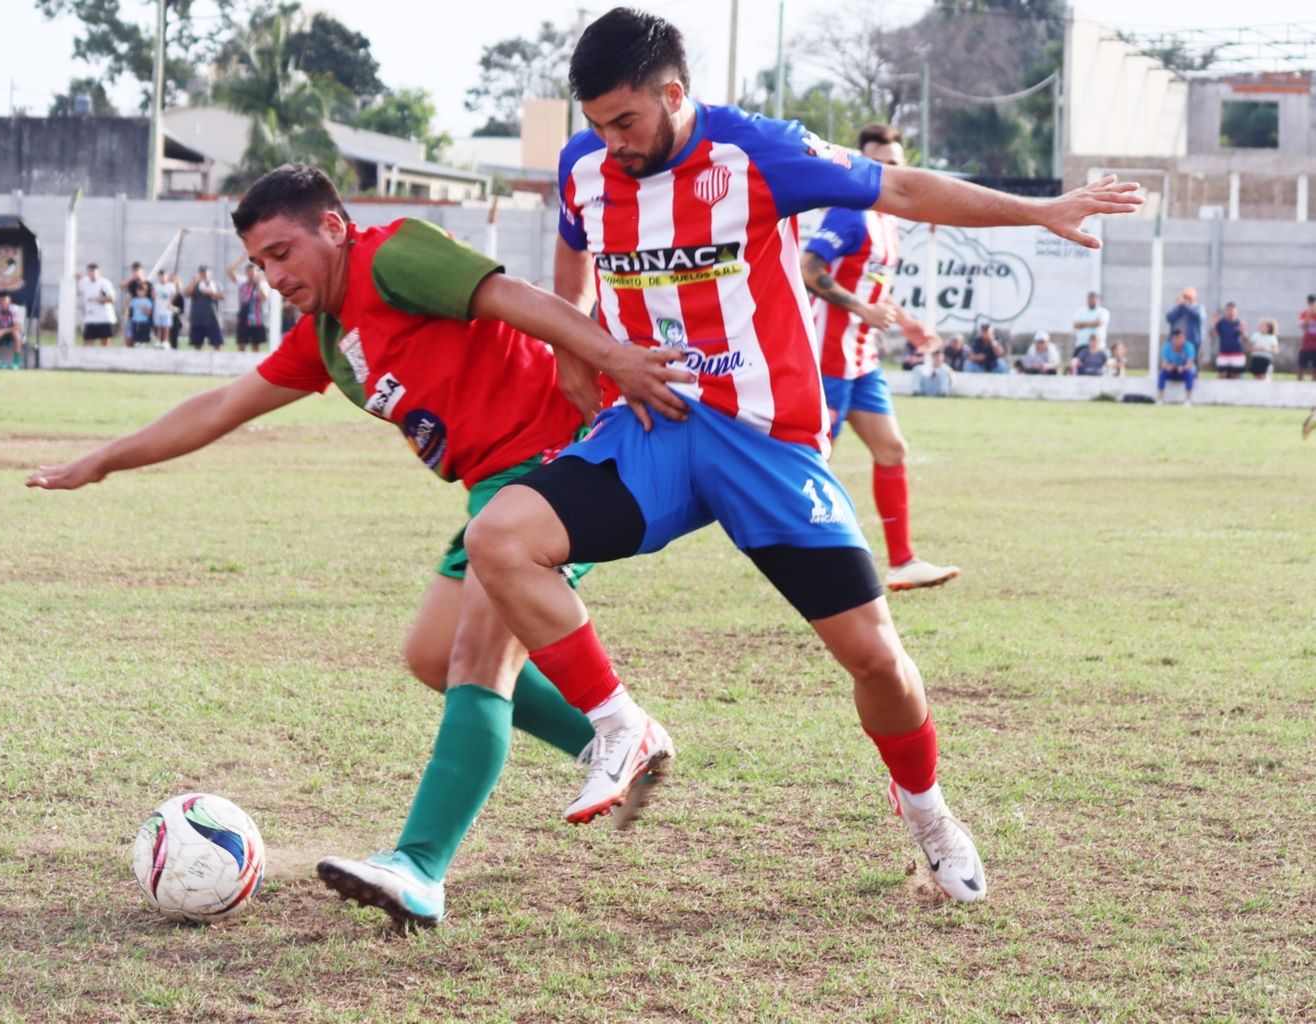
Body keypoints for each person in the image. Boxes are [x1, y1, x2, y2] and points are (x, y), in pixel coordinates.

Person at [461, 7, 1139, 909]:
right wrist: (575, 346)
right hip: (654, 429)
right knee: (500, 538)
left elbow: (902, 191)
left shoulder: (756, 152)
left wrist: (1039, 210)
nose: (610, 143)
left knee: (878, 660)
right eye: (595, 124)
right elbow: (572, 269)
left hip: (766, 441)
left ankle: (930, 813)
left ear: (674, 94)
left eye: (625, 121)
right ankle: (621, 726)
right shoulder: (586, 164)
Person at [29, 164, 691, 932]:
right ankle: (609, 740)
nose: (273, 276)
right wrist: (104, 460)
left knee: (479, 658)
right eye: (259, 263)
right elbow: (222, 405)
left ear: (334, 228)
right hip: (492, 486)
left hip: (555, 462)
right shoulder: (329, 340)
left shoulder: (393, 256)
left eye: (283, 252)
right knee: (430, 655)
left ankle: (420, 866)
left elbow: (516, 300)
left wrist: (608, 359)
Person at [801, 121, 956, 592]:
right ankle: (808, 563)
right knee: (809, 464)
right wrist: (862, 308)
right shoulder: (849, 213)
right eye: (878, 165)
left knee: (892, 449)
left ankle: (902, 562)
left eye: (895, 165)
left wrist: (905, 324)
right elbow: (809, 268)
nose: (888, 173)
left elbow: (875, 287)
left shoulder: (889, 223)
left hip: (862, 359)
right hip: (827, 358)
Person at [229, 261, 270, 352]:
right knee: (241, 344)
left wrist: (257, 284)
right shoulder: (242, 283)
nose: (251, 274)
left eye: (253, 272)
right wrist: (241, 258)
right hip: (243, 319)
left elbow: (263, 298)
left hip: (256, 320)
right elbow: (229, 271)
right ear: (246, 273)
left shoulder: (262, 284)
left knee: (256, 345)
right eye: (249, 272)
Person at [78, 263, 117, 347]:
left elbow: (112, 299)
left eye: (94, 271)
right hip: (90, 317)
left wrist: (98, 298)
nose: (92, 273)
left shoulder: (105, 283)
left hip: (104, 318)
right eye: (90, 271)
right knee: (88, 342)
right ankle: (86, 359)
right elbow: (78, 291)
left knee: (105, 343)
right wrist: (76, 279)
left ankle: (105, 359)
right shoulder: (84, 282)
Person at [185, 266, 224, 350]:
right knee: (197, 344)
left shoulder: (215, 284)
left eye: (206, 273)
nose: (204, 275)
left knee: (217, 343)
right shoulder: (196, 285)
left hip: (213, 318)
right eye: (202, 273)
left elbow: (222, 296)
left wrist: (210, 293)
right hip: (198, 319)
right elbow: (187, 294)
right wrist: (192, 282)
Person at [1165, 287, 1207, 364]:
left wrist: (1186, 307)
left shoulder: (1199, 307)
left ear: (1194, 298)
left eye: (1189, 297)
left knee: (1193, 365)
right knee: (1175, 363)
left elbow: (1198, 316)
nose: (1186, 299)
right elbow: (1169, 317)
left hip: (1192, 341)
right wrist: (1179, 307)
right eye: (1185, 297)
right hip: (1176, 341)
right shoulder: (1178, 307)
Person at [0, 293, 25, 369]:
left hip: (10, 333)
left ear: (9, 301)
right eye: (0, 300)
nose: (2, 302)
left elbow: (17, 327)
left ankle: (16, 362)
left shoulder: (14, 309)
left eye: (4, 300)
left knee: (17, 334)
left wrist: (3, 331)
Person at [1159, 327, 1196, 404]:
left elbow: (1190, 363)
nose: (1180, 340)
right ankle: (1160, 398)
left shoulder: (1189, 347)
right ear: (1173, 339)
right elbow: (1163, 363)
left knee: (1189, 374)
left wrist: (1183, 368)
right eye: (1178, 338)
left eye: (1182, 338)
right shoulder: (1167, 347)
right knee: (1162, 374)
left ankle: (1188, 399)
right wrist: (1169, 367)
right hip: (1171, 370)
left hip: (1183, 370)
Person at [1212, 301, 1248, 379]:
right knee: (1222, 375)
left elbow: (1246, 339)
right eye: (1228, 310)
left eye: (1232, 310)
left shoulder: (1239, 323)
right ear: (1225, 311)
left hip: (1237, 354)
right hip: (1224, 354)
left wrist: (1242, 332)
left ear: (1236, 312)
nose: (1230, 312)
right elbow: (1212, 336)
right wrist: (1214, 325)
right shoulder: (1220, 323)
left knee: (1235, 376)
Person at [1071, 291, 1110, 356]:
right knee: (1076, 364)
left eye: (1093, 299)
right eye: (1090, 299)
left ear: (1098, 300)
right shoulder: (1080, 312)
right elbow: (1075, 325)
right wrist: (1092, 323)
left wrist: (1083, 324)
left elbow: (1099, 323)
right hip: (1082, 344)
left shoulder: (1103, 312)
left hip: (1098, 346)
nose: (1091, 301)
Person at [119, 262, 149, 344]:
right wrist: (132, 278)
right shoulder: (131, 283)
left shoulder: (146, 283)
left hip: (143, 313)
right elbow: (121, 285)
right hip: (132, 311)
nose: (135, 273)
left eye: (137, 270)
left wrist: (140, 277)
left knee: (141, 334)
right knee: (129, 333)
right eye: (133, 271)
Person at [152, 269, 178, 348]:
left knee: (166, 327)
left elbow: (173, 295)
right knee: (159, 326)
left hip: (167, 310)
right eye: (161, 276)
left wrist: (169, 301)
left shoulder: (170, 286)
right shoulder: (156, 286)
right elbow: (154, 296)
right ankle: (159, 340)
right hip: (158, 309)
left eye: (164, 276)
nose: (162, 278)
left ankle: (166, 341)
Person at [1297, 295, 1316, 382]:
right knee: (1301, 366)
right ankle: (1299, 384)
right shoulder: (1304, 313)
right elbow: (1303, 327)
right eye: (1310, 303)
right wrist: (1309, 314)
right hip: (1306, 344)